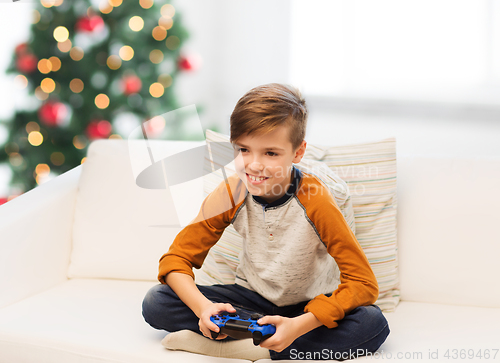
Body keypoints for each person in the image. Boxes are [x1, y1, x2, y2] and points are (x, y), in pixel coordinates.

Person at [142, 83, 390, 361]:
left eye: (270, 153)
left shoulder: (317, 200)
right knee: (157, 301)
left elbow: (363, 283)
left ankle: (243, 344)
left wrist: (299, 325)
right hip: (251, 299)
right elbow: (175, 260)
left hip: (307, 309)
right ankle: (265, 336)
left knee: (372, 323)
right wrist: (202, 309)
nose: (254, 165)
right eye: (244, 150)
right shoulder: (231, 192)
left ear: (297, 153)